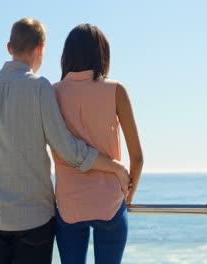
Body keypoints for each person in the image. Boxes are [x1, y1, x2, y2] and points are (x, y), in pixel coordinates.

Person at [0, 18, 131, 264]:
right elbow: (68, 149)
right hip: (34, 220)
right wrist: (115, 167)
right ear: (41, 48)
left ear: (9, 47)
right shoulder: (40, 87)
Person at [51, 24, 144, 264]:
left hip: (69, 205)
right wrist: (128, 197)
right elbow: (138, 158)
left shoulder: (52, 93)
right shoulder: (116, 90)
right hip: (110, 204)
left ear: (67, 55)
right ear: (103, 54)